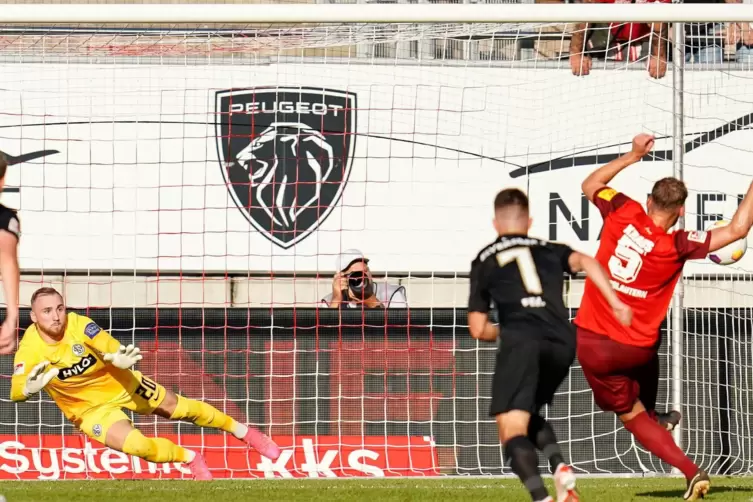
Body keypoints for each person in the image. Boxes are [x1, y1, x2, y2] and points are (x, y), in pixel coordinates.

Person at [575, 133, 753, 500]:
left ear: (648, 201)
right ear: (681, 211)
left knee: (629, 416)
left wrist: (633, 155)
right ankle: (656, 413)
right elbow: (737, 229)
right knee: (647, 346)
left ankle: (690, 471)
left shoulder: (623, 210)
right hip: (637, 348)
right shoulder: (677, 245)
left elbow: (591, 184)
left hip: (595, 342)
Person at [10, 287, 281, 480]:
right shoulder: (29, 349)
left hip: (122, 383)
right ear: (33, 317)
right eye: (46, 311)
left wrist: (118, 357)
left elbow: (109, 345)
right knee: (139, 447)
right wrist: (27, 389)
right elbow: (15, 391)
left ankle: (247, 434)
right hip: (90, 411)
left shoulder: (78, 324)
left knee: (182, 408)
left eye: (59, 308)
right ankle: (190, 458)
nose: (56, 316)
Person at [468, 188, 632, 502]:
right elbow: (587, 261)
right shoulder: (551, 249)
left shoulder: (485, 259)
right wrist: (616, 303)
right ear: (529, 221)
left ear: (495, 223)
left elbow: (477, 328)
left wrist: (505, 333)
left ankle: (542, 498)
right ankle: (559, 467)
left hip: (522, 340)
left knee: (511, 426)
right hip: (562, 341)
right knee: (528, 412)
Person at [569, 0, 668, 79]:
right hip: (607, 42)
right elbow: (585, 13)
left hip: (644, 42)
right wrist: (576, 53)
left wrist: (659, 55)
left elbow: (660, 18)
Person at [321, 249, 407, 309]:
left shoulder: (391, 294)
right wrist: (335, 301)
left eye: (365, 271)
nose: (362, 277)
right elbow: (324, 334)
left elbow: (400, 332)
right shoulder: (329, 301)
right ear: (341, 279)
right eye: (355, 274)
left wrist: (372, 301)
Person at [0, 152, 20, 355]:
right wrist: (12, 315)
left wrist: (12, 315)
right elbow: (7, 261)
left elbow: (7, 261)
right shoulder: (6, 219)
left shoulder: (5, 219)